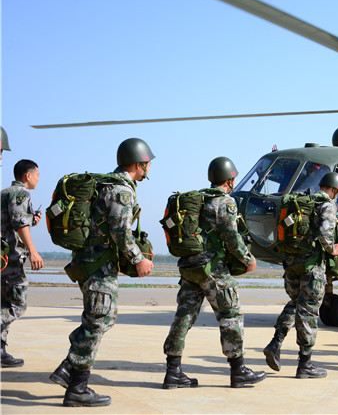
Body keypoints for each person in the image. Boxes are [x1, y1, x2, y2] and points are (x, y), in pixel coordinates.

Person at [50, 138, 155, 407]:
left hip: (88, 262)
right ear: (138, 163)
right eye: (147, 163)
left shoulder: (105, 184)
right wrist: (139, 259)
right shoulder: (121, 190)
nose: (148, 168)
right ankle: (77, 387)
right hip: (99, 266)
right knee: (98, 321)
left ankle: (68, 369)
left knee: (100, 318)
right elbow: (121, 232)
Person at [162, 157, 266, 389]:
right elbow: (231, 237)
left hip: (190, 267)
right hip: (212, 268)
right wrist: (248, 259)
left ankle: (173, 372)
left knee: (184, 316)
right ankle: (238, 370)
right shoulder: (225, 202)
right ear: (230, 179)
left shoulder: (198, 199)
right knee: (231, 314)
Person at [263, 172, 338, 379]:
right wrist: (333, 249)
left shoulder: (302, 202)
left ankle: (275, 343)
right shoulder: (327, 205)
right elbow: (325, 233)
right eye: (337, 193)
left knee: (295, 303)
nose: (336, 197)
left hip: (292, 263)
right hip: (312, 267)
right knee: (308, 312)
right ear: (334, 189)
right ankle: (305, 364)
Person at [1, 159, 44, 367]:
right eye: (37, 175)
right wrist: (33, 251)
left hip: (3, 256)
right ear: (28, 176)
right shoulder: (21, 193)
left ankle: (0, 350)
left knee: (3, 302)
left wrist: (31, 220)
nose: (38, 179)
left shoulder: (5, 192)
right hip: (9, 257)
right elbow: (19, 224)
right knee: (18, 304)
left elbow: (13, 222)